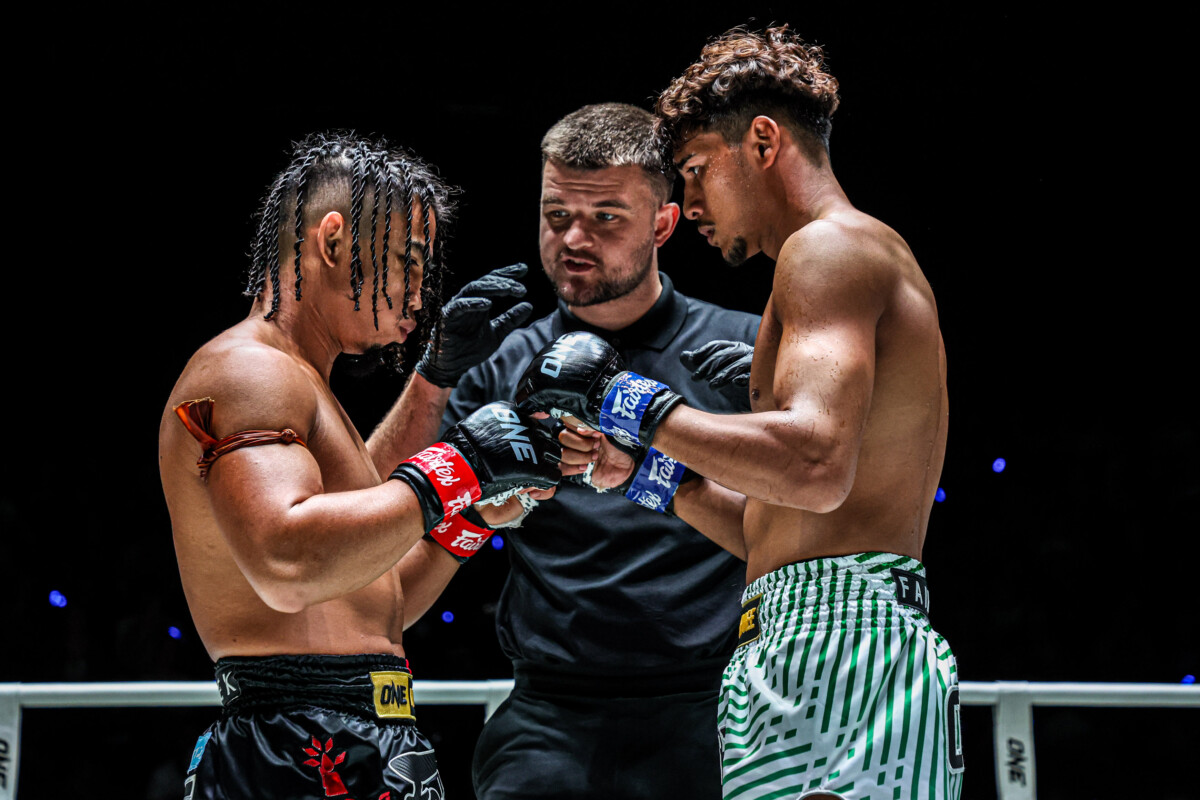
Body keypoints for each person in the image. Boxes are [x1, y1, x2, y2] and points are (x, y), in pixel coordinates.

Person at [515, 26, 962, 800]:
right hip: (805, 636)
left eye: (695, 171)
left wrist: (627, 397)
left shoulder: (830, 250)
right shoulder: (826, 263)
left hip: (841, 651)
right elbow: (776, 526)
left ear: (761, 141)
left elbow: (814, 464)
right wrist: (646, 475)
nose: (687, 205)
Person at [157, 131, 561, 800]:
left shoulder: (302, 383)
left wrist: (470, 508)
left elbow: (377, 591)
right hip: (294, 742)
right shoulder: (249, 371)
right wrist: (461, 465)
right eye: (408, 261)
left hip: (363, 729)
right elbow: (289, 563)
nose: (419, 294)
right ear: (333, 240)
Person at [436, 103, 760, 799]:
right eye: (556, 215)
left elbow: (797, 531)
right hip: (548, 710)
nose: (574, 239)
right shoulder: (500, 363)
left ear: (663, 224)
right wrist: (437, 392)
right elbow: (406, 530)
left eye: (606, 217)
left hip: (713, 702)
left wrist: (651, 469)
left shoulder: (742, 352)